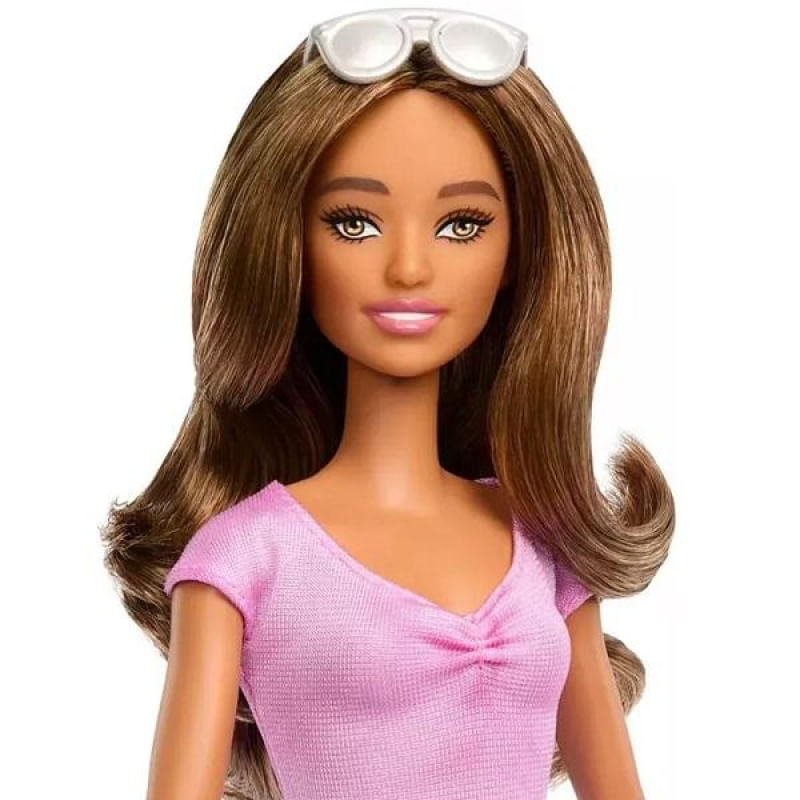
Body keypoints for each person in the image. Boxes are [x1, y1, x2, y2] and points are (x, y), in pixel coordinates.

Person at [101, 9, 674, 799]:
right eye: (354, 223)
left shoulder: (543, 542)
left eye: (462, 224)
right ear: (287, 245)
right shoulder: (244, 559)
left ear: (519, 251)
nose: (409, 267)